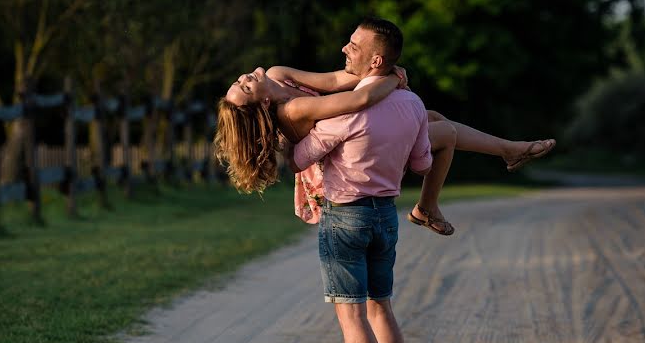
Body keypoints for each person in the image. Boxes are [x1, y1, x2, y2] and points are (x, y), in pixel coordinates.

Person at [215, 42, 555, 237]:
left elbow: (336, 80)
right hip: (349, 149)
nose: (245, 77)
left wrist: (374, 70)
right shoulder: (294, 109)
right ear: (261, 102)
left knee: (433, 119)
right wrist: (390, 78)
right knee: (445, 133)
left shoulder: (276, 74)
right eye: (245, 87)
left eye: (240, 80)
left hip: (353, 126)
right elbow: (356, 101)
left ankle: (508, 151)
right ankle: (427, 207)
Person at [281, 16, 428, 343]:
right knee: (382, 308)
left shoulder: (344, 114)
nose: (346, 49)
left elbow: (296, 160)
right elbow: (421, 163)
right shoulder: (413, 104)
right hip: (386, 216)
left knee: (352, 317)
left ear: (376, 58)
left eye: (354, 45)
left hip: (345, 216)